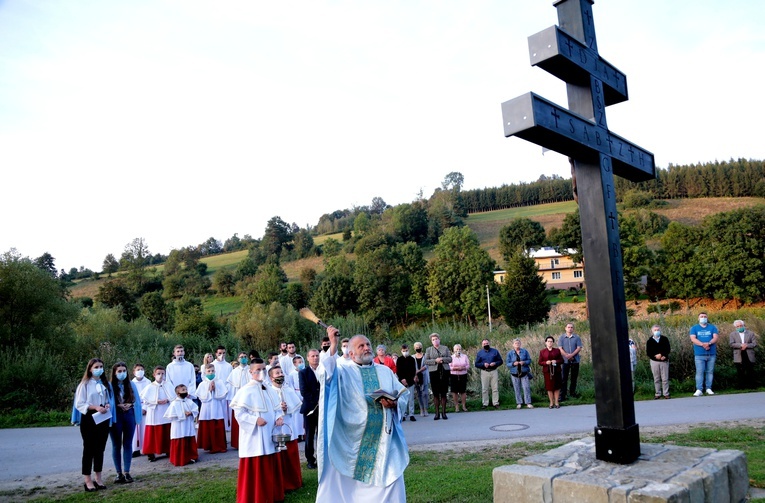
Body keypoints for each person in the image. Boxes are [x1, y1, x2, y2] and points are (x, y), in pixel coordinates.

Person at [315, 327, 409, 502]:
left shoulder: (385, 371)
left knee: (392, 476)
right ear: (351, 353)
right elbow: (324, 373)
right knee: (348, 481)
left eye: (368, 344)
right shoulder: (343, 371)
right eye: (361, 346)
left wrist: (395, 403)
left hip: (383, 439)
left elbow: (403, 393)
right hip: (353, 439)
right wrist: (333, 344)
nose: (367, 348)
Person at [230, 359, 285, 503]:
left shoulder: (269, 389)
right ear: (251, 372)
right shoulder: (245, 390)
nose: (261, 372)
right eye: (257, 370)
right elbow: (239, 413)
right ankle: (255, 496)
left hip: (270, 431)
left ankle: (272, 495)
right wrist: (255, 420)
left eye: (263, 370)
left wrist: (279, 417)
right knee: (256, 463)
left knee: (270, 461)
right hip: (255, 434)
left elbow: (277, 408)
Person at [73, 358, 112, 492]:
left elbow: (107, 399)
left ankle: (98, 478)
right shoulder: (84, 384)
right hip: (89, 418)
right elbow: (79, 403)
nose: (99, 369)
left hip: (103, 417)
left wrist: (106, 405)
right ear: (90, 369)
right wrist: (95, 407)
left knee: (100, 449)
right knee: (89, 449)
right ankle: (87, 480)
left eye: (101, 366)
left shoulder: (103, 384)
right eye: (96, 367)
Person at [269, 366, 303, 492]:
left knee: (291, 455)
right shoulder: (268, 392)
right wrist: (278, 408)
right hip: (276, 428)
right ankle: (280, 482)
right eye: (277, 373)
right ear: (271, 377)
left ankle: (293, 481)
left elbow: (295, 406)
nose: (280, 375)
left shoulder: (288, 389)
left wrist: (286, 408)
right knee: (278, 457)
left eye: (281, 372)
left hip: (289, 426)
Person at [109, 362, 142, 484]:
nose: (122, 373)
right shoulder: (110, 386)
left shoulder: (131, 384)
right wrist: (117, 405)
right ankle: (118, 473)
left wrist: (130, 404)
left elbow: (137, 401)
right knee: (116, 444)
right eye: (119, 371)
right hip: (116, 416)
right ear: (114, 373)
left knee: (128, 444)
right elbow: (108, 401)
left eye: (124, 371)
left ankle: (127, 472)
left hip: (129, 415)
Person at [140, 366, 174, 462]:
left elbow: (174, 397)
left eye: (162, 373)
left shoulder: (168, 385)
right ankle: (151, 452)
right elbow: (145, 400)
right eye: (158, 373)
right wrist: (156, 401)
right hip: (154, 412)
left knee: (167, 430)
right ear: (154, 375)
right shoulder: (150, 386)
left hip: (166, 410)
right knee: (153, 432)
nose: (161, 375)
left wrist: (168, 399)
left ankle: (168, 449)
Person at [163, 384, 199, 466]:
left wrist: (191, 412)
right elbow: (170, 415)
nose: (185, 391)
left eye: (186, 389)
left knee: (189, 438)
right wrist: (183, 414)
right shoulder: (174, 403)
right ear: (177, 393)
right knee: (180, 440)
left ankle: (191, 457)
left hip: (188, 425)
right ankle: (180, 459)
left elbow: (195, 409)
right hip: (178, 426)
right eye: (183, 390)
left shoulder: (189, 401)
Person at [196, 363, 228, 454]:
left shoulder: (219, 382)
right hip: (206, 409)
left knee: (218, 426)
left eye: (212, 371)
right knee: (208, 427)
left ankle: (220, 446)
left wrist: (215, 390)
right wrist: (209, 391)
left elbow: (223, 395)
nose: (211, 373)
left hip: (217, 407)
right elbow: (202, 398)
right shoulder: (202, 384)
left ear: (215, 371)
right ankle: (209, 446)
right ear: (205, 372)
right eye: (209, 371)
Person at [299, 349, 321, 470]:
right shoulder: (303, 373)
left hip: (323, 408)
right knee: (310, 435)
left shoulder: (324, 371)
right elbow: (304, 391)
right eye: (312, 356)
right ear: (307, 358)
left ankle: (321, 457)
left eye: (317, 356)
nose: (315, 358)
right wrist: (316, 400)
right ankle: (310, 459)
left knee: (321, 434)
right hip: (309, 408)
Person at [227, 352, 252, 449]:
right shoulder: (234, 371)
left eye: (245, 357)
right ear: (238, 359)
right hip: (238, 396)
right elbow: (232, 386)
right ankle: (237, 443)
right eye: (241, 357)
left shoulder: (251, 369)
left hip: (249, 397)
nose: (243, 359)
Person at [690, 312, 719, 396]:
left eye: (705, 316)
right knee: (699, 372)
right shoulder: (694, 328)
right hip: (699, 354)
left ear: (707, 318)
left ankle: (708, 388)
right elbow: (693, 339)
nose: (703, 318)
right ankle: (699, 389)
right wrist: (703, 344)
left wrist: (709, 343)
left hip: (711, 353)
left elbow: (715, 337)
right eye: (701, 316)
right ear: (698, 318)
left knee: (709, 371)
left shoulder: (712, 327)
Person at [425, 332, 452, 420]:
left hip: (444, 371)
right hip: (434, 372)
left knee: (443, 392)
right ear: (431, 341)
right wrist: (435, 360)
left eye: (436, 339)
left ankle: (444, 412)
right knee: (435, 393)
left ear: (439, 339)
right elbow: (426, 361)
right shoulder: (429, 350)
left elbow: (450, 359)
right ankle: (437, 413)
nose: (435, 341)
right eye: (433, 340)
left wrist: (442, 359)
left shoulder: (445, 348)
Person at [474, 338, 502, 409]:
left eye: (487, 343)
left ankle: (495, 403)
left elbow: (500, 361)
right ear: (482, 345)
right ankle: (485, 403)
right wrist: (483, 364)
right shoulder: (480, 353)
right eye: (484, 344)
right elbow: (476, 364)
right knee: (484, 389)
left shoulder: (495, 351)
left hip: (494, 371)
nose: (486, 345)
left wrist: (495, 363)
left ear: (489, 343)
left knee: (495, 388)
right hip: (484, 372)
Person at [558, 323, 583, 401]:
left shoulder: (577, 337)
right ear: (565, 328)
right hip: (565, 361)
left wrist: (572, 355)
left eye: (571, 327)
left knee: (574, 378)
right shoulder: (561, 337)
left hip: (575, 361)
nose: (570, 329)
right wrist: (567, 356)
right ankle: (563, 395)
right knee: (564, 378)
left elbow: (579, 348)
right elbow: (560, 348)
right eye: (568, 327)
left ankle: (572, 393)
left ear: (573, 329)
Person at [506, 338, 534, 409]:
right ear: (513, 345)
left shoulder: (524, 352)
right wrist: (513, 363)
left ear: (520, 344)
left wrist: (524, 362)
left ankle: (528, 402)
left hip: (524, 372)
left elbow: (529, 360)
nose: (517, 344)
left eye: (518, 343)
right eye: (515, 343)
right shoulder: (510, 353)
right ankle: (519, 403)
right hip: (514, 373)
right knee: (517, 388)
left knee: (526, 388)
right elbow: (507, 363)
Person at [729, 320, 757, 389]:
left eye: (741, 326)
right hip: (739, 353)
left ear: (744, 325)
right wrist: (740, 345)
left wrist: (746, 345)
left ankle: (752, 386)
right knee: (740, 371)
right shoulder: (732, 334)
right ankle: (741, 386)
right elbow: (731, 344)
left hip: (749, 353)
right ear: (735, 327)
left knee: (750, 370)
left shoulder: (751, 333)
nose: (739, 327)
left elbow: (754, 344)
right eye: (738, 326)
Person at [131, 363, 150, 458]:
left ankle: (145, 448)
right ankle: (135, 449)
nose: (140, 371)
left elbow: (150, 396)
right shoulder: (131, 383)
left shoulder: (148, 382)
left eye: (142, 369)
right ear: (134, 372)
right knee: (134, 430)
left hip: (145, 408)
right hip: (135, 408)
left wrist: (145, 408)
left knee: (145, 428)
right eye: (138, 369)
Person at [646, 325, 671, 399]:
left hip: (664, 360)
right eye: (655, 330)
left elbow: (668, 349)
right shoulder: (649, 341)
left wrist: (663, 355)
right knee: (656, 378)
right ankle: (657, 393)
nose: (657, 331)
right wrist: (655, 356)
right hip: (654, 361)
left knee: (665, 378)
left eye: (658, 330)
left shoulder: (664, 339)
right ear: (652, 331)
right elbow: (648, 352)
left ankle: (666, 393)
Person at [212, 345, 233, 431]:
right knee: (217, 411)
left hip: (226, 391)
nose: (222, 355)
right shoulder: (212, 365)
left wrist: (226, 388)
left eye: (224, 353)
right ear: (216, 354)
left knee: (227, 411)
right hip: (216, 391)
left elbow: (230, 379)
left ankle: (227, 427)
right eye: (220, 353)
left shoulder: (229, 366)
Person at [539, 336, 564, 409]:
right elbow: (540, 362)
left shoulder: (557, 350)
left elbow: (561, 360)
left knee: (557, 386)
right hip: (547, 372)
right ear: (545, 342)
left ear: (553, 343)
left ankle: (556, 402)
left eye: (551, 341)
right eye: (548, 341)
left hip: (556, 371)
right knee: (549, 387)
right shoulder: (542, 351)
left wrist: (556, 361)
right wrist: (546, 362)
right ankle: (551, 402)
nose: (550, 342)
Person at [396, 344, 417, 421]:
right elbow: (398, 371)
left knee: (411, 399)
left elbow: (413, 370)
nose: (405, 352)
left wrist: (408, 380)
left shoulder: (412, 359)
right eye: (404, 351)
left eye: (406, 351)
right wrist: (402, 379)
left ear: (409, 350)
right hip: (402, 382)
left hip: (410, 381)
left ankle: (411, 414)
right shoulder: (399, 360)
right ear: (401, 351)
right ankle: (403, 414)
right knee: (403, 399)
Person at [288, 355, 305, 441]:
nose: (301, 364)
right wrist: (295, 397)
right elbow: (290, 386)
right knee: (297, 417)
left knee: (304, 416)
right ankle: (298, 434)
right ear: (295, 364)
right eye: (299, 362)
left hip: (304, 394)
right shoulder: (292, 374)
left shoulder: (306, 371)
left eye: (302, 362)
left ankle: (304, 434)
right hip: (296, 394)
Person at [450, 344, 470, 413]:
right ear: (454, 350)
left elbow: (468, 365)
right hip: (454, 375)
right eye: (456, 349)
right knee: (454, 391)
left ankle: (464, 406)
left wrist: (463, 368)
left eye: (459, 349)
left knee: (463, 391)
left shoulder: (464, 356)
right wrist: (455, 368)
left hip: (463, 374)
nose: (458, 350)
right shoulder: (451, 357)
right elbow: (449, 367)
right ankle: (456, 406)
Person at [412, 341, 429, 417]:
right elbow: (412, 367)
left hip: (424, 376)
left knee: (425, 393)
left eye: (419, 347)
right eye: (416, 347)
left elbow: (426, 365)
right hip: (416, 377)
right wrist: (415, 374)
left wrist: (418, 371)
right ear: (414, 348)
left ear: (421, 347)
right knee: (419, 394)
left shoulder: (425, 356)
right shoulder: (412, 357)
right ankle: (421, 409)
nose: (418, 348)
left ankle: (426, 409)